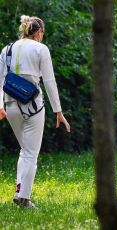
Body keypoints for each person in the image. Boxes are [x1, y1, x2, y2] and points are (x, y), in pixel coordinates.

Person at [0, 15, 70, 208]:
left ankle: (20, 190)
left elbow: (0, 81)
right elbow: (49, 81)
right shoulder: (41, 49)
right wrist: (58, 111)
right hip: (33, 106)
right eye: (43, 33)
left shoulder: (7, 49)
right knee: (31, 153)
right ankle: (24, 198)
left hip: (10, 106)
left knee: (25, 151)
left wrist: (0, 106)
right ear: (38, 32)